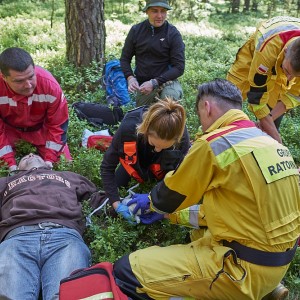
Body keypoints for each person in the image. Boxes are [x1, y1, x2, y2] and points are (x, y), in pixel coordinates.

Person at [112, 79, 300, 299]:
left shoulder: (215, 142)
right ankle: (268, 287)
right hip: (277, 264)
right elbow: (217, 213)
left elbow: (170, 195)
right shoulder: (273, 145)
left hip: (240, 268)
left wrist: (153, 203)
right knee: (199, 233)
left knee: (127, 270)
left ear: (207, 108)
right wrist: (167, 216)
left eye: (200, 118)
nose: (201, 127)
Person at [0, 153, 103, 299]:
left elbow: (97, 199)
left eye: (35, 154)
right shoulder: (6, 181)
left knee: (68, 295)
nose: (30, 154)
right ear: (17, 168)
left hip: (65, 238)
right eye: (23, 157)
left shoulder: (68, 176)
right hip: (17, 239)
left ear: (49, 164)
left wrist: (122, 205)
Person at [100, 97, 190, 223]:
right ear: (146, 130)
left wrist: (154, 200)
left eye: (165, 147)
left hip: (163, 170)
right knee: (110, 195)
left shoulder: (181, 137)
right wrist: (116, 205)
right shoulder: (128, 128)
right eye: (154, 144)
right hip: (136, 165)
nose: (158, 150)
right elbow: (107, 167)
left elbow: (182, 177)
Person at [227, 16, 300, 144]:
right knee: (228, 97)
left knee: (272, 107)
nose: (290, 79)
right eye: (288, 72)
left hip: (279, 58)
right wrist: (277, 139)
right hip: (254, 54)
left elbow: (293, 95)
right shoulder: (267, 49)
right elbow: (257, 97)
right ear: (285, 52)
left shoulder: (291, 65)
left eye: (297, 77)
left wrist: (267, 123)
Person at [0, 47, 71, 172]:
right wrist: (9, 165)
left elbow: (57, 126)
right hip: (8, 130)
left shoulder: (50, 86)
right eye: (19, 81)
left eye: (31, 76)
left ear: (34, 69)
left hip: (41, 130)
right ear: (4, 77)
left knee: (65, 165)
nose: (28, 85)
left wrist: (50, 160)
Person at [120, 0, 185, 107]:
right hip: (144, 84)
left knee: (168, 104)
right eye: (155, 11)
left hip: (167, 81)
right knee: (143, 116)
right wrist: (130, 78)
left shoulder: (173, 33)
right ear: (147, 11)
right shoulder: (136, 30)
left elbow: (179, 67)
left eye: (163, 11)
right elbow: (124, 59)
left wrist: (155, 82)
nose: (159, 16)